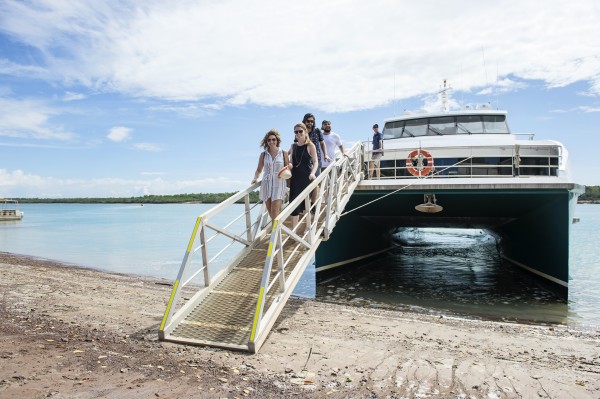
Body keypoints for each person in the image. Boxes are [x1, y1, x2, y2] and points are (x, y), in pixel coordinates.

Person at [251, 129, 290, 221]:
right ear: (266, 142)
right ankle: (276, 230)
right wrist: (255, 178)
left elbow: (287, 167)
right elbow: (259, 170)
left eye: (273, 139)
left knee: (275, 211)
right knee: (271, 213)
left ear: (277, 141)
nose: (271, 141)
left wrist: (289, 167)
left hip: (279, 182)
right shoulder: (263, 154)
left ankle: (274, 233)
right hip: (266, 183)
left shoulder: (283, 153)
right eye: (269, 140)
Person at [288, 123, 319, 230]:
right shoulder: (293, 146)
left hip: (307, 177)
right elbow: (291, 162)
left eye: (300, 131)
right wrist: (289, 166)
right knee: (293, 203)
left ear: (305, 132)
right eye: (296, 132)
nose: (298, 133)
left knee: (306, 204)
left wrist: (313, 173)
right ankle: (294, 230)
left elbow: (315, 162)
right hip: (295, 178)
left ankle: (308, 226)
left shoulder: (311, 146)